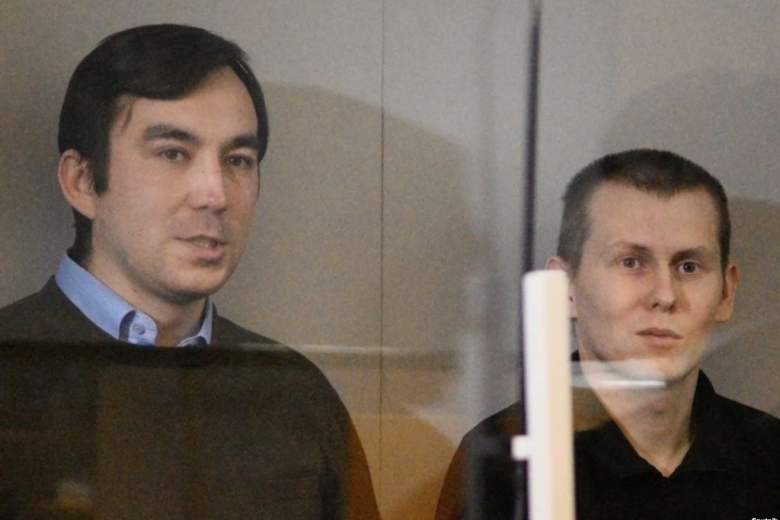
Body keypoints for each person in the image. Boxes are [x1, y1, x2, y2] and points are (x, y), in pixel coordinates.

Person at [0, 24, 380, 520]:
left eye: (237, 160)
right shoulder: (14, 368)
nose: (215, 194)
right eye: (172, 153)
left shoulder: (294, 393)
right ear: (83, 181)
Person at [436, 149, 780, 520]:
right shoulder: (507, 463)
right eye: (631, 262)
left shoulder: (771, 456)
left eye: (689, 266)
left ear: (726, 293)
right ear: (564, 288)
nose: (665, 295)